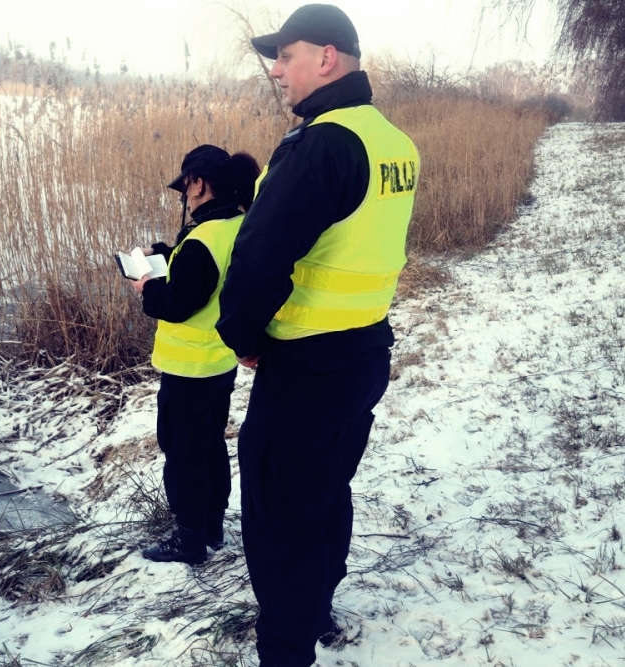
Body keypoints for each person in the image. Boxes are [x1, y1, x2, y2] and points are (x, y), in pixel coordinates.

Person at [215, 5, 420, 665]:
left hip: (305, 365)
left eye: (287, 55)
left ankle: (285, 646)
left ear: (326, 56)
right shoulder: (393, 141)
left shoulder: (322, 144)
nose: (277, 69)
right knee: (326, 488)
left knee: (278, 518)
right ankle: (319, 603)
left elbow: (258, 257)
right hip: (364, 352)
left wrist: (240, 334)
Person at [131, 144, 260, 564]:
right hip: (219, 362)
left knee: (184, 453)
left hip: (188, 369)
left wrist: (147, 285)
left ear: (199, 183)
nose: (184, 196)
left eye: (185, 187)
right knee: (209, 445)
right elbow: (207, 275)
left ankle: (188, 540)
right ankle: (212, 526)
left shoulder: (204, 237)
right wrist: (169, 255)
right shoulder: (238, 224)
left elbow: (175, 303)